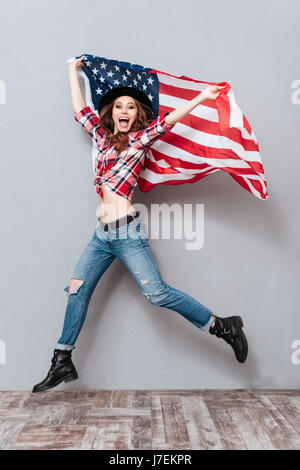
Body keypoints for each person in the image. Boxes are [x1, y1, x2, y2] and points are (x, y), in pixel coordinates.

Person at [32, 56, 248, 393]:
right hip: (101, 236)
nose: (123, 110)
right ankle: (62, 359)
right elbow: (79, 110)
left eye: (130, 107)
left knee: (156, 293)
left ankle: (222, 326)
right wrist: (70, 70)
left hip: (128, 232)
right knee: (77, 291)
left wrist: (202, 97)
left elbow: (170, 121)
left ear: (137, 116)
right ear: (111, 112)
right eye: (118, 105)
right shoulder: (101, 139)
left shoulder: (140, 140)